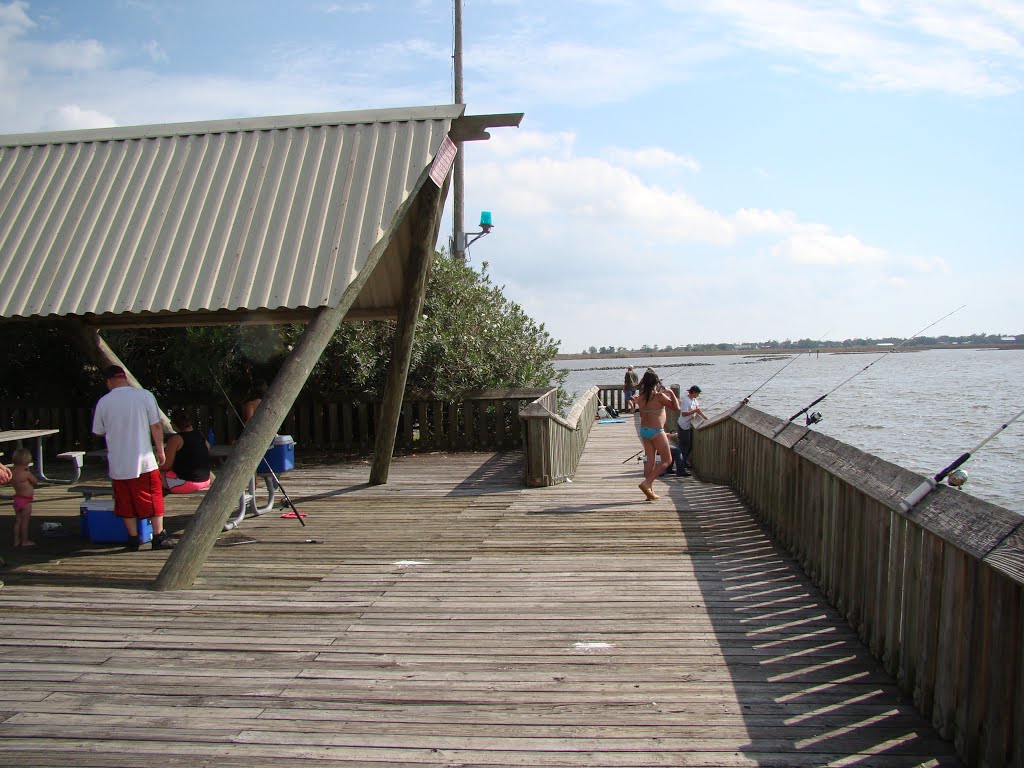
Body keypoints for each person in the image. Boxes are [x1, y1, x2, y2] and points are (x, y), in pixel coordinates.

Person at [91, 365, 175, 551]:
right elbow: (156, 425)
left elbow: (98, 431)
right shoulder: (144, 395)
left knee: (124, 500)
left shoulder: (104, 402)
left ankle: (132, 538)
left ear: (108, 381)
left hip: (118, 462)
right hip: (143, 459)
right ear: (125, 378)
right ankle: (158, 536)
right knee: (153, 497)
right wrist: (160, 450)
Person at [634, 370, 680, 501]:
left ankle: (650, 492)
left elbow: (642, 414)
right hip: (656, 431)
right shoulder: (659, 396)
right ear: (656, 382)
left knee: (651, 461)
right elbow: (676, 408)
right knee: (667, 460)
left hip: (644, 430)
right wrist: (670, 392)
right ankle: (647, 483)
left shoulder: (641, 396)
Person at [159, 409, 213, 494]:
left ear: (173, 424)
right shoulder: (199, 435)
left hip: (187, 484)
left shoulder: (176, 439)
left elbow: (166, 466)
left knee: (153, 475)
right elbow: (208, 447)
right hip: (205, 481)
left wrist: (156, 467)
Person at [676, 385, 707, 478]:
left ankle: (683, 463)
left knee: (688, 447)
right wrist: (694, 411)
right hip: (683, 426)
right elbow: (684, 413)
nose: (698, 395)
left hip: (688, 426)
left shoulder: (694, 400)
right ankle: (680, 469)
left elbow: (698, 410)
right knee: (683, 447)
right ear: (693, 392)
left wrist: (706, 419)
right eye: (697, 393)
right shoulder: (686, 400)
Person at [9, 448, 38, 548]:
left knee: (18, 521)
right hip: (25, 501)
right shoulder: (26, 473)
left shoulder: (12, 472)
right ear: (27, 461)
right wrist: (29, 472)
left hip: (17, 499)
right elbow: (35, 482)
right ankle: (24, 541)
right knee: (25, 522)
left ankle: (16, 540)